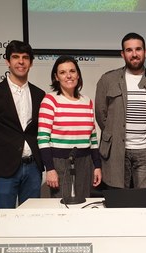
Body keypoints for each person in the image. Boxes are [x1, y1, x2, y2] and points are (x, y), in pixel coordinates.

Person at [0, 40, 45, 208]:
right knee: (4, 221)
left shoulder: (39, 94)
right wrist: (1, 152)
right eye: (15, 57)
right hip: (3, 169)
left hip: (33, 168)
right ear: (7, 61)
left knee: (31, 220)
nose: (21, 61)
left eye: (25, 57)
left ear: (31, 63)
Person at [95, 32, 146, 189]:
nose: (134, 54)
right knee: (118, 201)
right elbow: (101, 116)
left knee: (143, 202)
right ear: (123, 54)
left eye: (138, 49)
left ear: (145, 52)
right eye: (129, 50)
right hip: (116, 151)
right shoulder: (108, 80)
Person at [38, 56, 102, 202]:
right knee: (63, 206)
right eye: (62, 72)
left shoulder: (87, 101)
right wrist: (50, 169)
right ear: (56, 77)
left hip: (85, 162)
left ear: (78, 74)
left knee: (83, 203)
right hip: (60, 163)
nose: (68, 76)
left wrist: (97, 166)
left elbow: (92, 138)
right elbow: (42, 138)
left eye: (72, 71)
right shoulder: (50, 100)